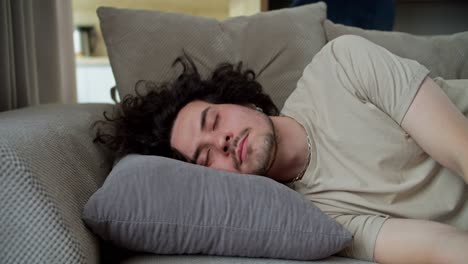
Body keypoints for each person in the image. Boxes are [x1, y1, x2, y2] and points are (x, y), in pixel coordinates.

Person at [94, 35, 468, 263]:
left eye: (214, 121)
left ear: (242, 102)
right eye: (205, 158)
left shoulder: (340, 66)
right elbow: (439, 247)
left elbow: (460, 149)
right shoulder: (316, 220)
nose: (221, 141)